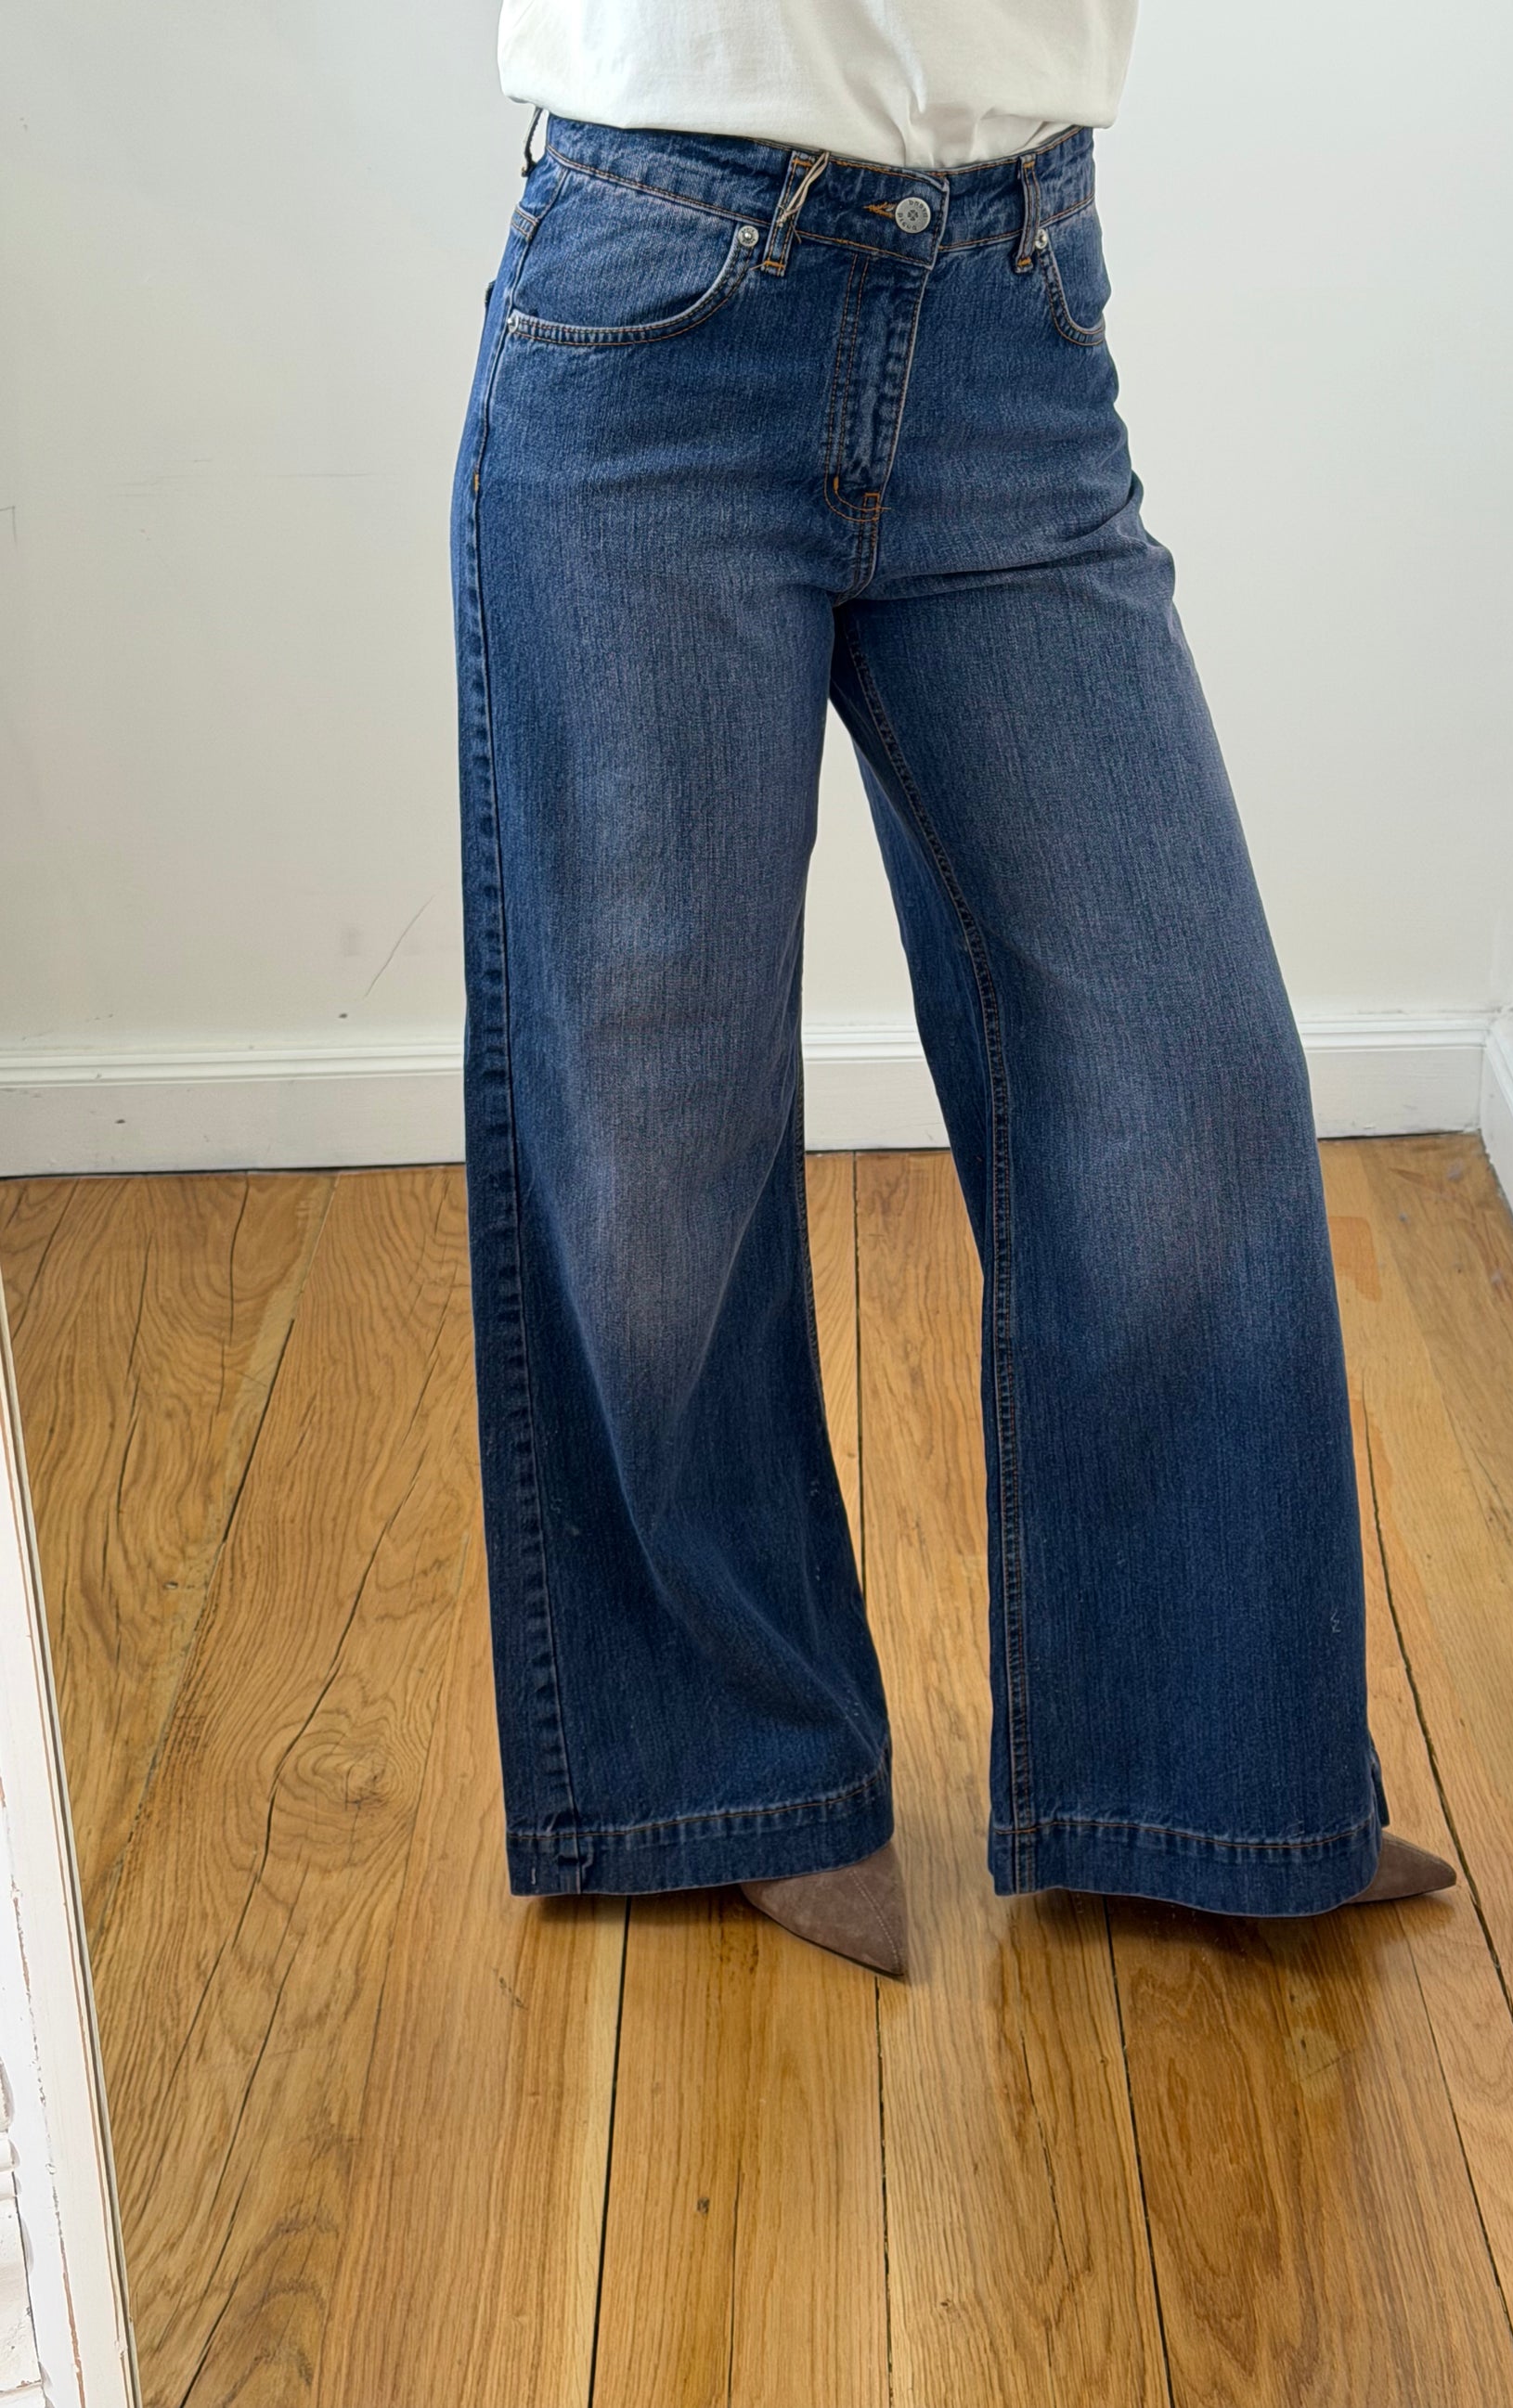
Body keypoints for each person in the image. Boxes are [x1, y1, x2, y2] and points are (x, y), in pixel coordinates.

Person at [452, 0, 1455, 1977]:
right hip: (656, 296)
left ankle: (1199, 1765)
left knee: (1182, 1076)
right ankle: (724, 1768)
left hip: (1015, 309)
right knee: (651, 1129)